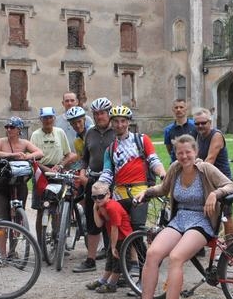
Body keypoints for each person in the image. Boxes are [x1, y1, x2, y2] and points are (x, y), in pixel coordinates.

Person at [128, 135, 233, 299]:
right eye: (180, 153)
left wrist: (215, 193)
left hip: (202, 221)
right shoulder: (175, 169)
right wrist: (146, 192)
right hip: (179, 220)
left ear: (195, 152)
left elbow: (232, 186)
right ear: (175, 154)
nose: (184, 156)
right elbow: (163, 188)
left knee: (176, 257)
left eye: (188, 152)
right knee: (152, 254)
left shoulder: (206, 169)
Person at [98, 105, 166, 234]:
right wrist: (99, 187)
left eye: (123, 121)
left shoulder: (141, 140)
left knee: (137, 228)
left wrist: (163, 174)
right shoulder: (110, 149)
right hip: (119, 194)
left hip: (140, 191)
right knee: (120, 231)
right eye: (116, 121)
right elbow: (107, 173)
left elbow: (153, 160)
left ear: (129, 122)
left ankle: (142, 247)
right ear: (111, 123)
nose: (120, 125)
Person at [72, 97, 116, 273]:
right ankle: (90, 260)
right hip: (93, 181)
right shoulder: (90, 133)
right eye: (96, 114)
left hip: (113, 181)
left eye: (102, 113)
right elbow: (85, 158)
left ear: (109, 113)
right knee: (92, 220)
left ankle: (115, 258)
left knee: (113, 220)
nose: (99, 117)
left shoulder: (116, 131)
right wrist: (82, 173)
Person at [0, 117, 43, 220]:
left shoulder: (24, 143)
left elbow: (40, 153)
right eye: (7, 127)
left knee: (19, 217)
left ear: (19, 129)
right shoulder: (1, 141)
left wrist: (27, 157)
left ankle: (19, 226)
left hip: (19, 182)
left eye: (12, 127)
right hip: (0, 183)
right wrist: (11, 155)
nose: (8, 129)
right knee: (0, 219)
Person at [192, 107, 233, 237]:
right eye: (197, 123)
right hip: (208, 181)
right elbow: (195, 157)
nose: (200, 126)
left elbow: (209, 161)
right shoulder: (199, 136)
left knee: (226, 215)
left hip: (223, 181)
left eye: (203, 123)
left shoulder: (216, 135)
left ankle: (231, 246)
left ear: (210, 122)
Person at [87, 181, 133, 293]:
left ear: (108, 194)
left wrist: (113, 247)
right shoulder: (100, 206)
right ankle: (103, 280)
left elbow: (115, 228)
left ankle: (112, 284)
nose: (97, 200)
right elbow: (99, 224)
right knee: (110, 261)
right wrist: (94, 209)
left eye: (100, 196)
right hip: (115, 238)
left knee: (118, 262)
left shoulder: (112, 207)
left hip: (123, 238)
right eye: (94, 197)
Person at [30, 106, 78, 214]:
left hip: (57, 172)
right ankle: (41, 225)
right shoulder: (35, 135)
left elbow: (68, 154)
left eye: (50, 117)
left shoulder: (60, 132)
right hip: (41, 172)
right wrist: (46, 169)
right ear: (41, 119)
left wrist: (60, 165)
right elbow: (32, 159)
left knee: (56, 208)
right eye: (45, 118)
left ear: (54, 118)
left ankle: (57, 225)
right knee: (41, 208)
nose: (48, 120)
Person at [64, 105, 90, 169]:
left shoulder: (93, 132)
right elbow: (82, 160)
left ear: (84, 119)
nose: (77, 125)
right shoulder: (76, 142)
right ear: (70, 124)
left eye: (79, 121)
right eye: (73, 123)